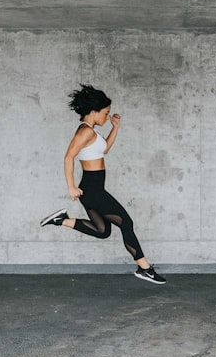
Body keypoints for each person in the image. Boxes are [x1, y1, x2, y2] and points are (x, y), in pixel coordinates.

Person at [40, 84, 167, 285]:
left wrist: (115, 128)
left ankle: (61, 220)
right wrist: (71, 187)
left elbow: (104, 149)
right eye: (105, 113)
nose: (107, 117)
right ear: (94, 111)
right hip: (91, 189)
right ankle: (145, 268)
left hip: (94, 188)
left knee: (102, 231)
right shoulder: (84, 132)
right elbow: (68, 157)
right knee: (126, 223)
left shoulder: (91, 131)